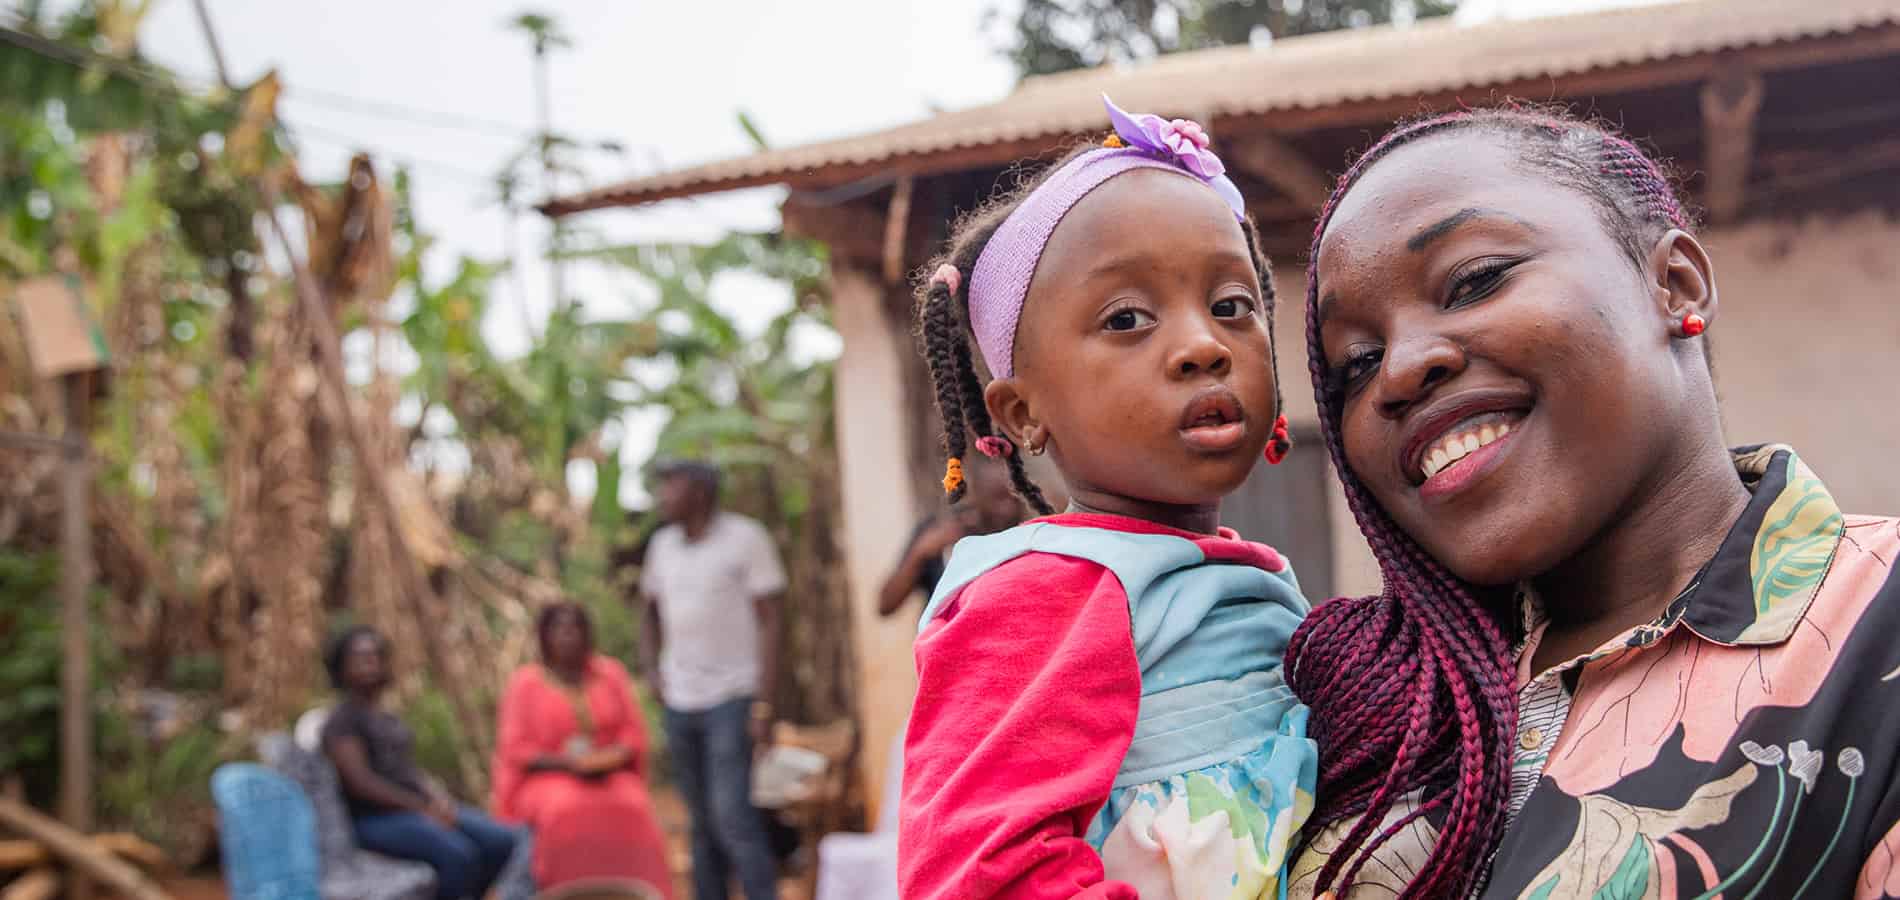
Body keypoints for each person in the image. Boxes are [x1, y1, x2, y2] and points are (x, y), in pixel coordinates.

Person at [1284, 105, 1900, 899]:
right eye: (1355, 365)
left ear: (1674, 282)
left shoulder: (1873, 624)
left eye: (1474, 280)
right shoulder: (1379, 706)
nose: (1400, 370)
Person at [899, 96, 1319, 900]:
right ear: (1024, 415)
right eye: (1127, 318)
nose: (1203, 345)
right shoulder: (1040, 595)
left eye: (1233, 307)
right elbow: (978, 877)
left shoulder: (1242, 576)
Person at [639, 459, 787, 900]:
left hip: (732, 697)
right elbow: (646, 613)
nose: (663, 496)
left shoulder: (746, 539)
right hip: (680, 702)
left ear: (700, 492)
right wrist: (651, 670)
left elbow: (771, 624)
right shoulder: (661, 546)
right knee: (700, 822)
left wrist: (763, 704)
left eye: (671, 486)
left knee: (732, 816)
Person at [320, 626, 518, 900]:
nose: (370, 665)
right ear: (341, 668)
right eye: (360, 658)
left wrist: (438, 797)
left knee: (501, 841)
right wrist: (421, 808)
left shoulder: (386, 718)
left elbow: (408, 770)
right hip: (374, 818)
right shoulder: (342, 720)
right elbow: (361, 783)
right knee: (459, 855)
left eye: (376, 657)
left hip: (415, 809)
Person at [491, 603, 673, 896]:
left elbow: (632, 731)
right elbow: (516, 748)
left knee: (634, 805)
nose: (568, 636)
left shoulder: (610, 673)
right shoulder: (526, 683)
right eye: (560, 629)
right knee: (562, 811)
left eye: (575, 628)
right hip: (549, 779)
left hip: (608, 775)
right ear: (545, 636)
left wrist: (611, 757)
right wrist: (569, 764)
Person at [876, 454, 1024, 618]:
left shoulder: (1029, 535)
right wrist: (919, 553)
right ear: (976, 496)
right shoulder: (943, 532)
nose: (1009, 509)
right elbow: (886, 606)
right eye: (999, 498)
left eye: (1016, 499)